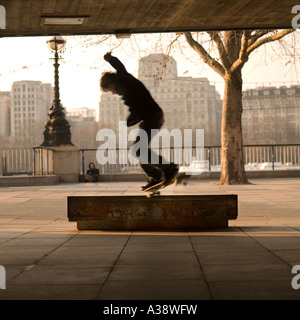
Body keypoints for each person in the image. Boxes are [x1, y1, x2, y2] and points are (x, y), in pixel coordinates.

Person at [100, 52, 178, 191]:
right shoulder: (124, 84)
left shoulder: (123, 80)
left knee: (137, 149)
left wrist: (111, 59)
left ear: (110, 83)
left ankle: (167, 170)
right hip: (150, 118)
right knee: (137, 150)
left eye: (109, 89)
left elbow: (120, 67)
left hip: (152, 117)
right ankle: (157, 175)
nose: (112, 93)